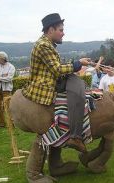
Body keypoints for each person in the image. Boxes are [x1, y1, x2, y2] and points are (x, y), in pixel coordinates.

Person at [22, 13, 91, 152]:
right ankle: (75, 137)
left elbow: (56, 66)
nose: (63, 33)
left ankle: (74, 137)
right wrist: (78, 64)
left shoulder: (47, 44)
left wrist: (76, 63)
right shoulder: (43, 45)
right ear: (50, 30)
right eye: (61, 30)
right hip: (45, 87)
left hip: (53, 80)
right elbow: (57, 69)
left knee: (78, 84)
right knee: (78, 91)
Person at [0, 51, 15, 128]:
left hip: (6, 90)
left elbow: (9, 78)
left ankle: (11, 123)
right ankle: (1, 124)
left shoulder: (11, 67)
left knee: (8, 106)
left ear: (4, 58)